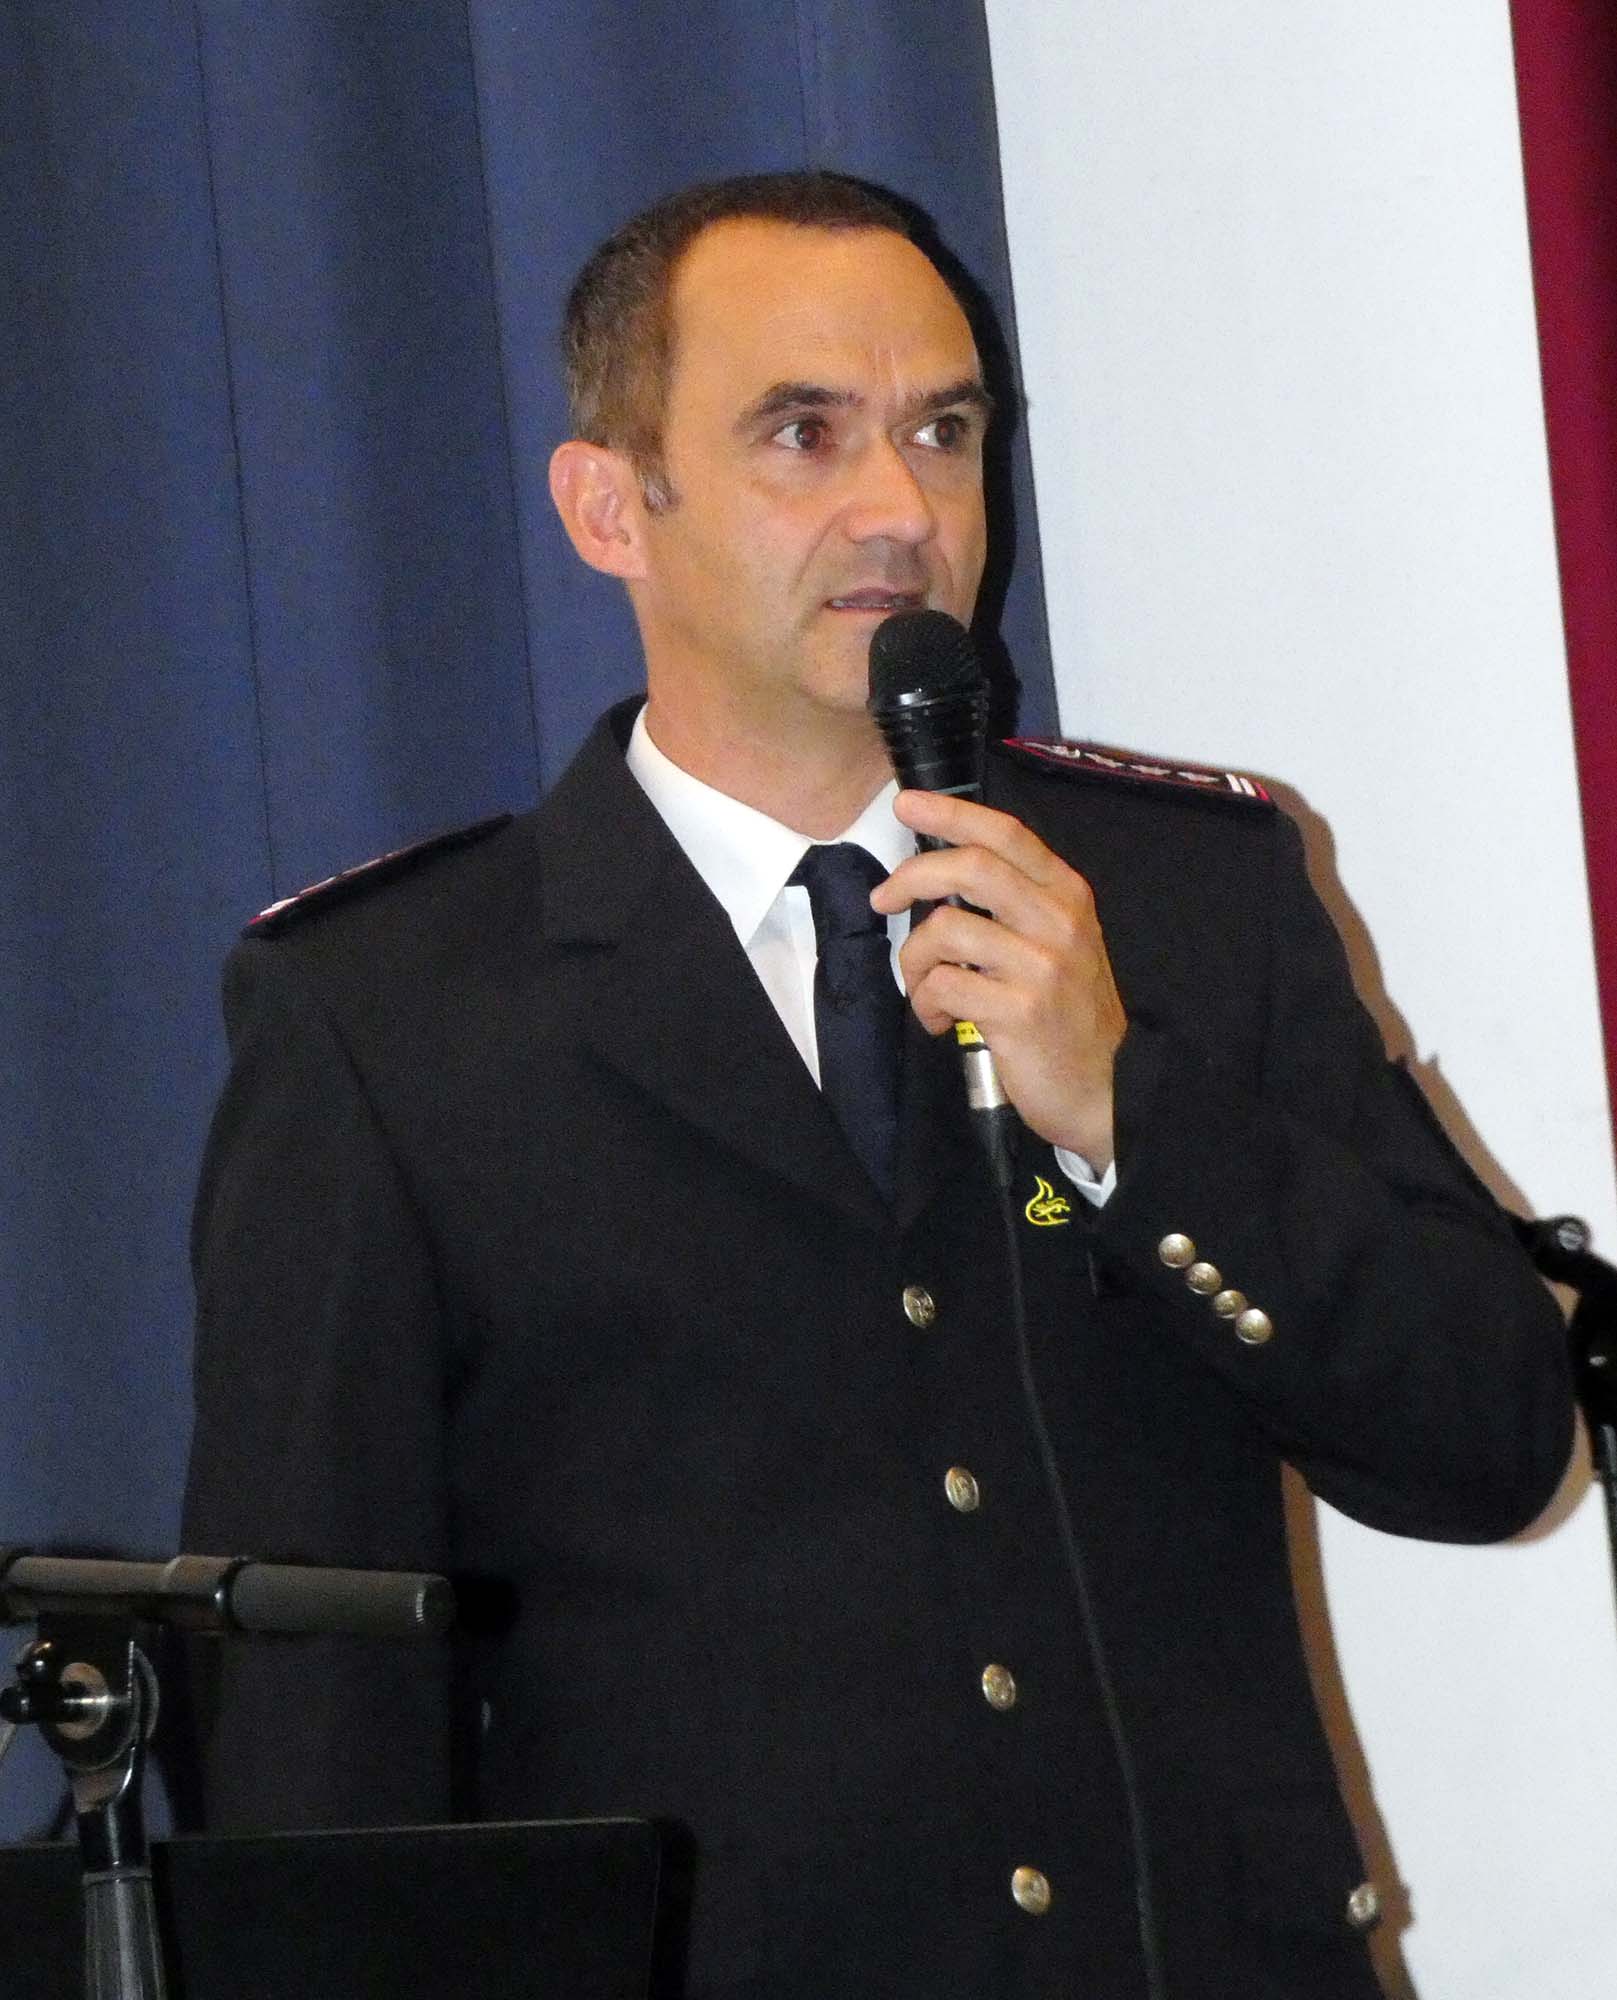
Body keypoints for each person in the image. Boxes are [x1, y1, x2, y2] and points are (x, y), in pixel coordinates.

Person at [183, 172, 1573, 2000]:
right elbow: (312, 1715)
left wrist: (1126, 1110)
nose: (901, 511)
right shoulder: (392, 1014)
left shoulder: (1186, 900)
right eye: (803, 434)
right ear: (608, 506)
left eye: (943, 432)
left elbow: (1491, 1442)